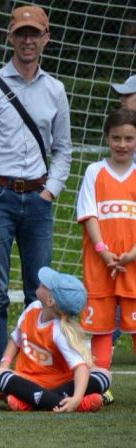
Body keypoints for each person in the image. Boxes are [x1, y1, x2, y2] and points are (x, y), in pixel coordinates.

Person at [0, 5, 73, 370]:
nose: (28, 40)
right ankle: (0, 371)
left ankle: (35, 367)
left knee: (40, 292)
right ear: (10, 37)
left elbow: (63, 150)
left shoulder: (56, 89)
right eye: (21, 33)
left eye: (35, 34)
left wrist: (50, 191)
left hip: (38, 199)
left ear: (47, 38)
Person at [0, 267, 107, 413]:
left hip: (58, 384)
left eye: (45, 285)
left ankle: (31, 403)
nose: (41, 283)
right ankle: (72, 402)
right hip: (27, 381)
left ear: (50, 301)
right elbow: (14, 341)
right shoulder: (33, 308)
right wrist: (4, 366)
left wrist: (76, 398)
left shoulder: (59, 331)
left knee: (104, 375)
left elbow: (80, 368)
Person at [75, 108, 136, 373]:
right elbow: (89, 216)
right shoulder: (94, 171)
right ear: (106, 138)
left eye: (129, 138)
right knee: (101, 328)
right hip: (101, 264)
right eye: (116, 138)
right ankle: (101, 383)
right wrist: (103, 252)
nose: (122, 144)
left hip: (133, 264)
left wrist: (133, 253)